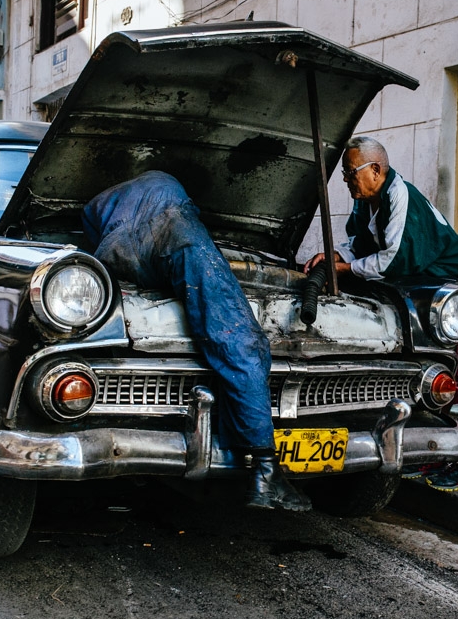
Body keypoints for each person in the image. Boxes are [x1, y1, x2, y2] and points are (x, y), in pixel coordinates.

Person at [82, 170, 310, 511]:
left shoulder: (104, 201)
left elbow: (94, 231)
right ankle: (264, 469)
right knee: (241, 342)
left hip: (113, 248)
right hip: (172, 232)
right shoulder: (177, 208)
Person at [305, 137, 458, 491]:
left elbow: (392, 260)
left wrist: (345, 269)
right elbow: (356, 244)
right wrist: (333, 255)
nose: (347, 181)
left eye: (351, 173)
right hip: (429, 296)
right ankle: (440, 450)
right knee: (437, 374)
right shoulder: (367, 203)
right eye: (345, 174)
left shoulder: (400, 196)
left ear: (376, 170)